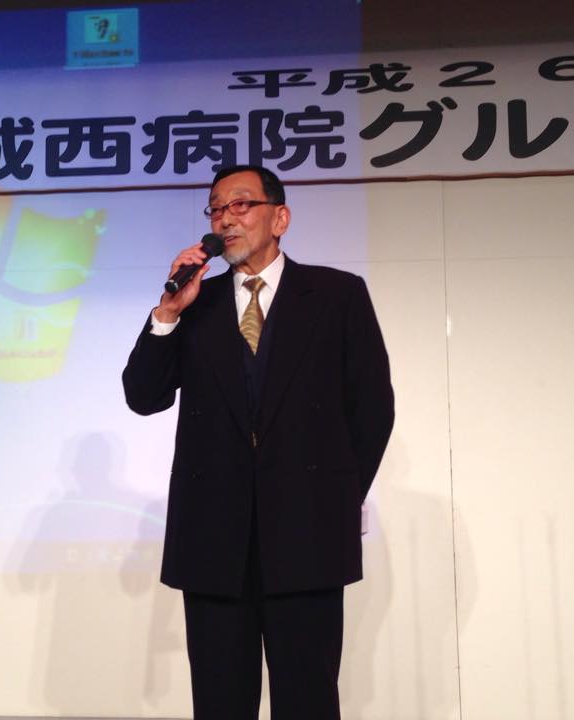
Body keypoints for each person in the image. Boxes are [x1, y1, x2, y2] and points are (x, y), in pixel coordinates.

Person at [122, 164, 394, 720]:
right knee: (220, 703)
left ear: (280, 218)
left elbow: (372, 410)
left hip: (307, 538)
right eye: (217, 209)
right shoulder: (195, 303)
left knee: (308, 700)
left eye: (241, 205)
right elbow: (143, 396)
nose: (226, 219)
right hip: (214, 543)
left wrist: (335, 497)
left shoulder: (336, 294)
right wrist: (168, 312)